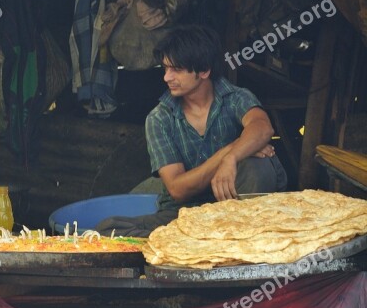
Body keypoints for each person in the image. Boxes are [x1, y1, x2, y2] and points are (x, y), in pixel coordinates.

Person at [96, 25, 287, 237]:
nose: (166, 77)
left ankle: (229, 240)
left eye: (176, 70)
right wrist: (230, 152)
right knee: (107, 230)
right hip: (184, 215)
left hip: (235, 213)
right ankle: (209, 240)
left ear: (204, 71)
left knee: (258, 166)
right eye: (165, 68)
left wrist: (234, 157)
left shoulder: (236, 98)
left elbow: (262, 128)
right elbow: (178, 189)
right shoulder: (160, 118)